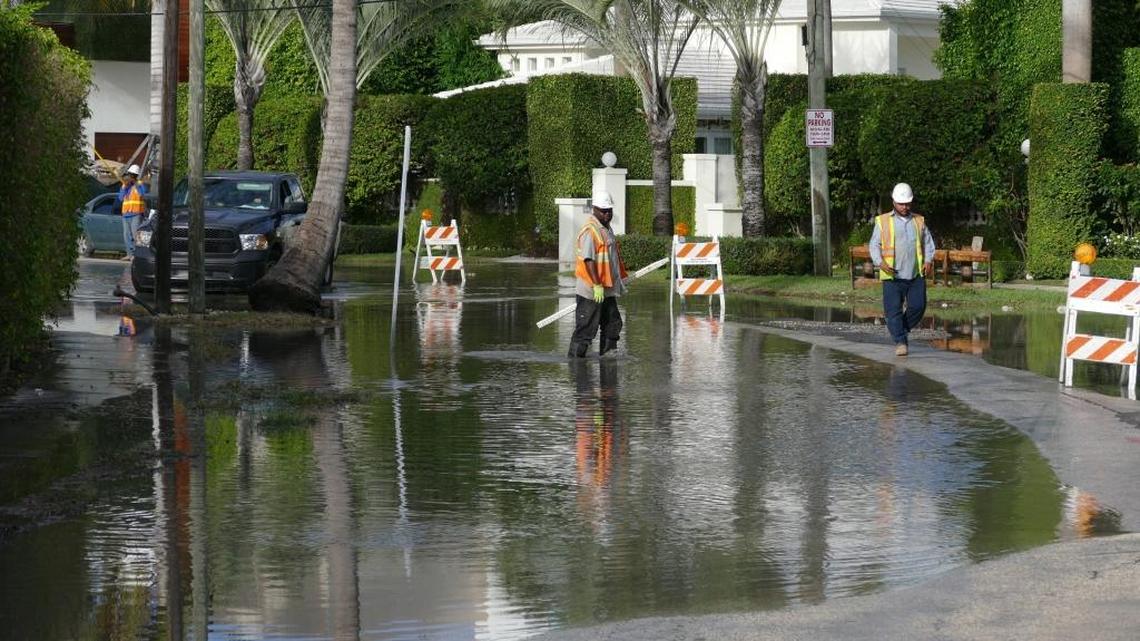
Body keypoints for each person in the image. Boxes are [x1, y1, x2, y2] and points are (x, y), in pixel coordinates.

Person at [869, 183, 936, 356]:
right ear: (894, 202)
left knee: (918, 306)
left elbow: (928, 244)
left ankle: (900, 329)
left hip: (915, 274)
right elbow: (874, 245)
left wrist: (928, 260)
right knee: (893, 311)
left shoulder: (918, 221)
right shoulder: (883, 221)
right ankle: (900, 341)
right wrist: (880, 262)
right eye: (901, 204)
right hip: (892, 275)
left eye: (907, 203)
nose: (905, 207)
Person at [568, 192, 628, 358]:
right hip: (591, 290)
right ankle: (575, 365)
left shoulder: (606, 229)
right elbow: (589, 260)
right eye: (603, 211)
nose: (607, 214)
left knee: (613, 324)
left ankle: (608, 359)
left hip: (605, 288)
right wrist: (596, 285)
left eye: (609, 210)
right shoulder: (591, 231)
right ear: (594, 209)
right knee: (586, 329)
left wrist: (618, 280)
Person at [115, 164, 148, 260]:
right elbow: (121, 198)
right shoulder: (125, 185)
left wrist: (136, 184)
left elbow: (142, 194)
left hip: (136, 213)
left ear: (135, 176)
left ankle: (137, 254)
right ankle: (129, 254)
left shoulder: (140, 184)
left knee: (135, 234)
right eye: (129, 174)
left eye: (132, 175)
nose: (129, 177)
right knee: (126, 235)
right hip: (126, 214)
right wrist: (125, 186)